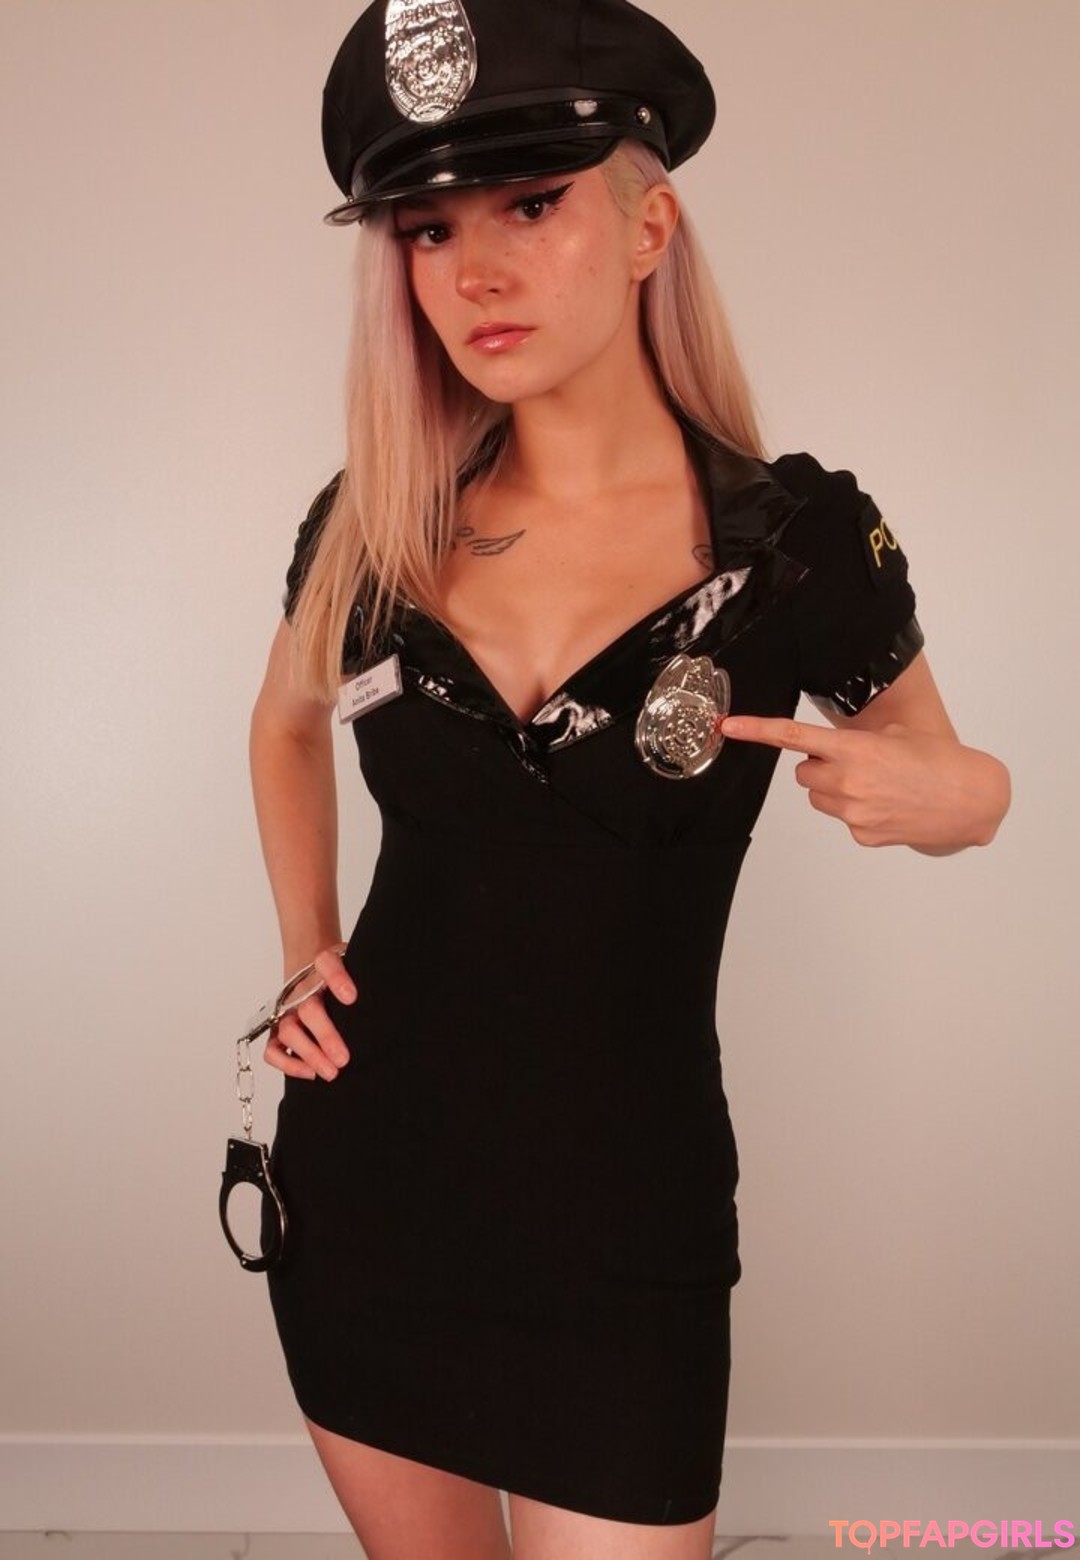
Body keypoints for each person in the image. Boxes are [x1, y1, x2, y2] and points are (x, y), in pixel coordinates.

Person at [247, 2, 1012, 1556]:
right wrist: (304, 946)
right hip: (368, 1196)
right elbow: (281, 725)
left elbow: (953, 773)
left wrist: (957, 800)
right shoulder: (375, 522)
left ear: (649, 225)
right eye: (429, 229)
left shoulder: (790, 544)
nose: (475, 269)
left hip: (625, 1231)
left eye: (533, 205)